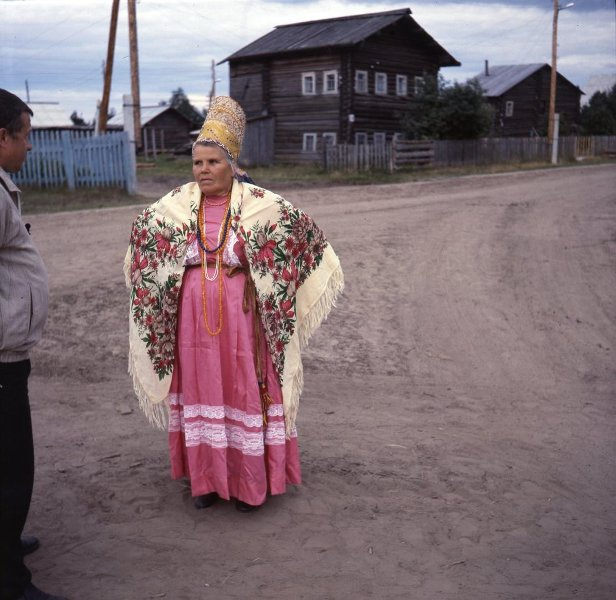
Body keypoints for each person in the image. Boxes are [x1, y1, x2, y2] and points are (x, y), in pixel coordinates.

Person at [125, 97, 343, 512]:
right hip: (191, 322)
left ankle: (248, 483)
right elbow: (143, 240)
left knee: (243, 387)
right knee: (201, 386)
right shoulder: (173, 206)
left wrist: (254, 253)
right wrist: (180, 253)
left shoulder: (262, 204)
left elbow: (304, 239)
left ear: (232, 165)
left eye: (212, 163)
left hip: (244, 322)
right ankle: (206, 480)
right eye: (198, 163)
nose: (203, 170)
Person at [0, 90, 68, 600]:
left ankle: (7, 543)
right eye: (24, 136)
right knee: (11, 468)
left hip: (9, 352)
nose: (28, 147)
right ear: (1, 136)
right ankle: (10, 582)